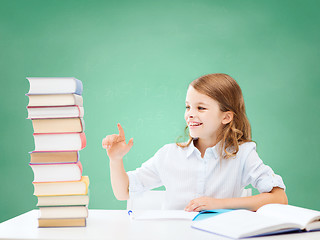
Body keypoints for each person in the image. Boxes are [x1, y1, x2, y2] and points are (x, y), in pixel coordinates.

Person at [102, 73, 288, 212]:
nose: (190, 113)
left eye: (201, 107)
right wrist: (116, 159)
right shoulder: (169, 154)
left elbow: (280, 198)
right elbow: (123, 192)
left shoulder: (243, 154)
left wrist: (219, 204)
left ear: (226, 117)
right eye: (188, 106)